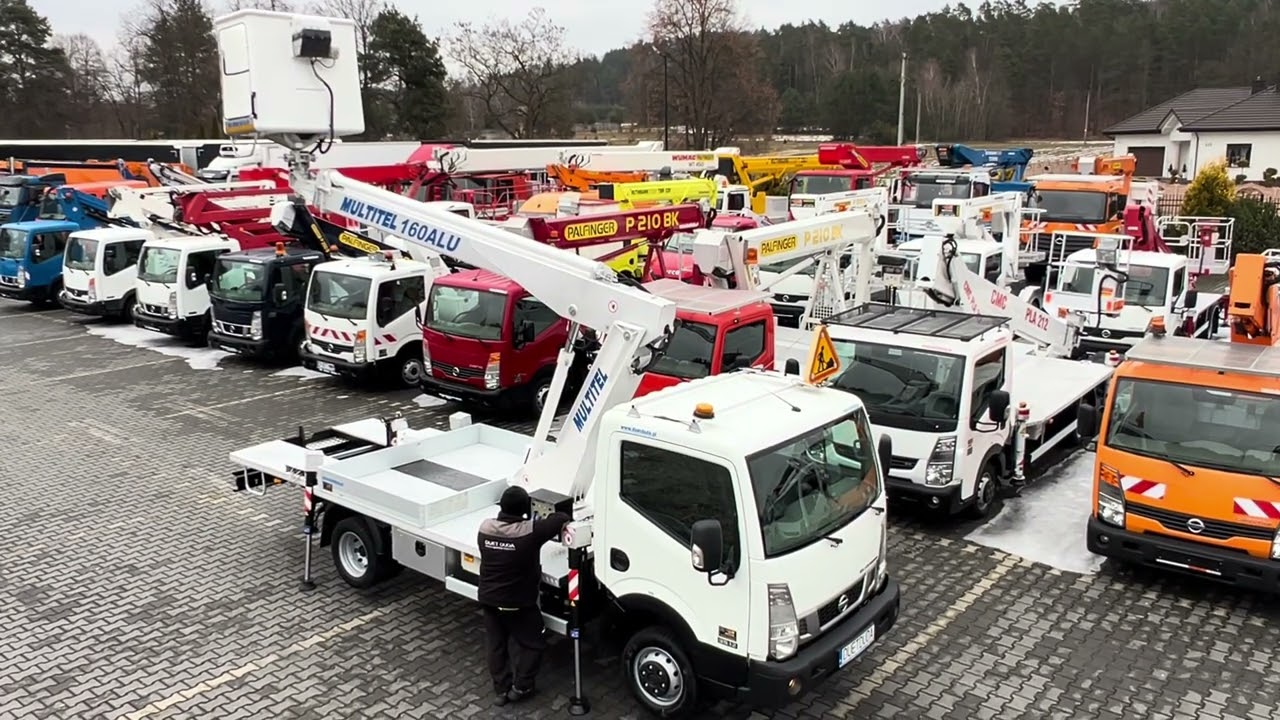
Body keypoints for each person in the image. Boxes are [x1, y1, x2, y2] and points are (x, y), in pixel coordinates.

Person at [477, 485, 571, 706]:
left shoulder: (484, 529)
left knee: (496, 645)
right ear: (524, 510)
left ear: (501, 507)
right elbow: (561, 517)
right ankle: (521, 687)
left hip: (489, 599)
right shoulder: (530, 533)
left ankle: (501, 690)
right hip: (519, 603)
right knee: (533, 644)